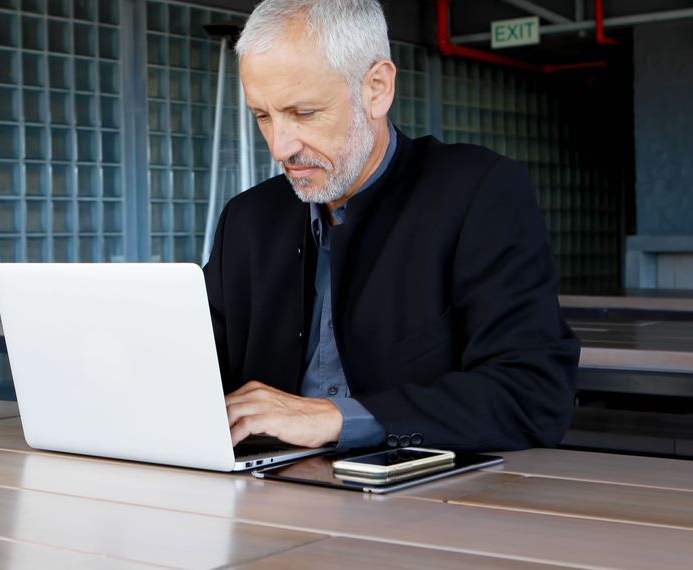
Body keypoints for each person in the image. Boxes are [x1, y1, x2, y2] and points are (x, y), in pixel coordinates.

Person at [204, 0, 580, 452]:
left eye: (303, 113)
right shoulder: (247, 221)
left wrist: (336, 419)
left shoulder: (477, 194)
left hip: (426, 503)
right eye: (263, 116)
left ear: (377, 89)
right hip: (264, 495)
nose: (280, 147)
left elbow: (532, 394)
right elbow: (192, 375)